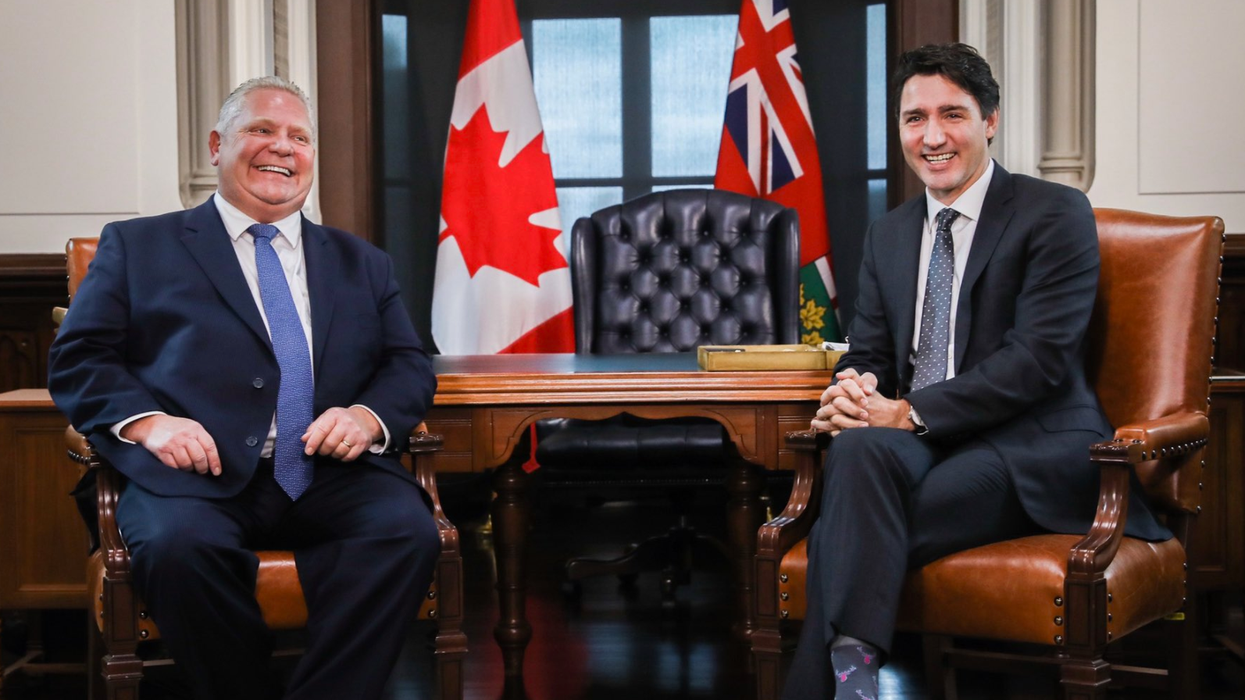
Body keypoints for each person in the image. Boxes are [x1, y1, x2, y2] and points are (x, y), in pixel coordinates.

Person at [781, 44, 1169, 699]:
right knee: (855, 455)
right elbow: (870, 353)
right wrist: (850, 392)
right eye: (913, 118)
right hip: (924, 443)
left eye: (951, 114)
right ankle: (851, 680)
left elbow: (1037, 361)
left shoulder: (1053, 212)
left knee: (838, 534)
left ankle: (844, 681)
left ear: (989, 120)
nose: (931, 136)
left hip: (1032, 441)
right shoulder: (890, 234)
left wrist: (906, 412)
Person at [48, 76, 439, 700]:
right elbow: (79, 359)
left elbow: (409, 363)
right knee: (178, 549)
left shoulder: (362, 261)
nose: (282, 148)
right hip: (192, 475)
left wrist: (367, 415)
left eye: (299, 137)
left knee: (407, 532)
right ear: (216, 145)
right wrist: (150, 422)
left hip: (327, 471)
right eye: (261, 129)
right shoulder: (139, 245)